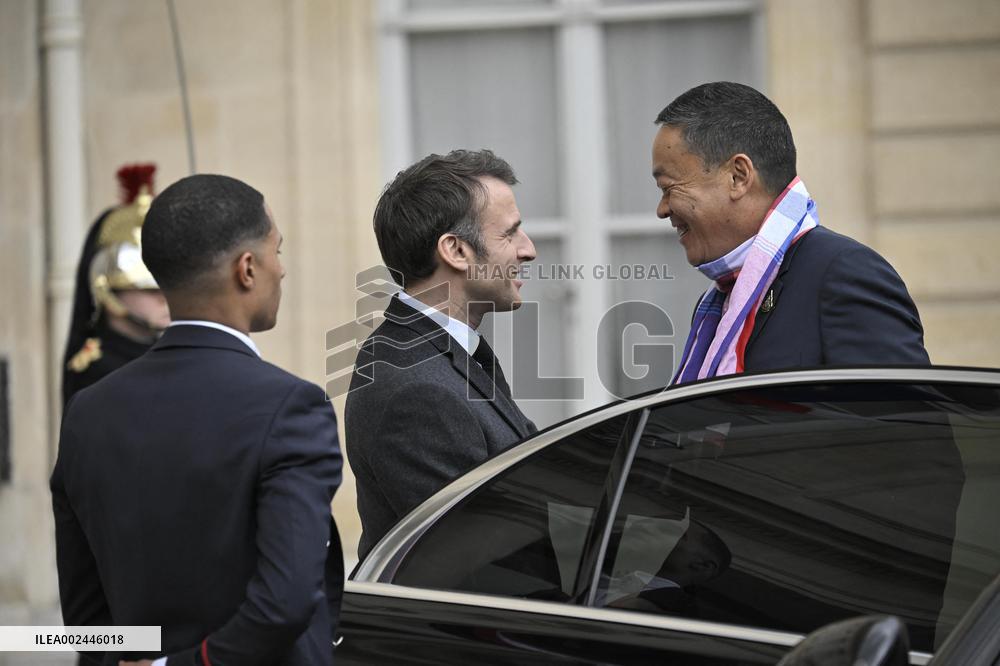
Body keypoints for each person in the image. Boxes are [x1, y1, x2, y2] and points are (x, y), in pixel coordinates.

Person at [51, 174, 343, 665]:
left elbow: (86, 620)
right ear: (247, 269)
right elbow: (283, 603)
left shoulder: (89, 412)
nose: (283, 269)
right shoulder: (292, 406)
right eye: (278, 250)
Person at [653, 82, 929, 385]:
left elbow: (904, 424)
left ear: (738, 176)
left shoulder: (843, 273)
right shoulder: (718, 303)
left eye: (669, 188)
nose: (663, 209)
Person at [345, 149, 537, 560]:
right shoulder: (415, 386)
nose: (528, 250)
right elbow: (483, 559)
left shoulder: (445, 355)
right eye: (510, 234)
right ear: (456, 251)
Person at [62, 164, 170, 406]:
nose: (165, 297)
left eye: (168, 287)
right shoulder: (96, 372)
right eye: (149, 289)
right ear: (107, 290)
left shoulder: (169, 355)